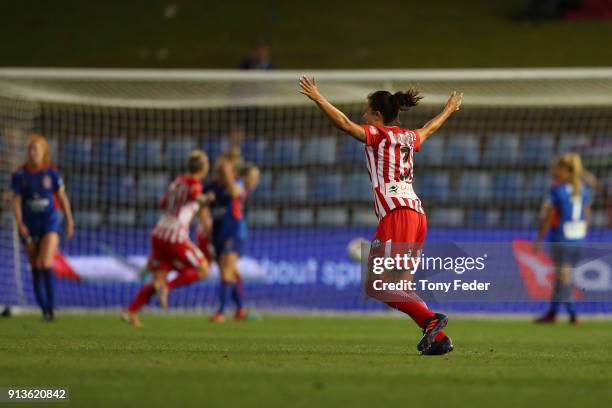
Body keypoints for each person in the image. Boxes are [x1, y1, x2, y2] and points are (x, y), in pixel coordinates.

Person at [299, 76, 462, 355]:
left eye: (366, 111)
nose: (363, 116)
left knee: (377, 286)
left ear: (377, 115)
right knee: (399, 287)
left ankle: (431, 319)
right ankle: (439, 339)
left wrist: (317, 97)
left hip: (397, 215)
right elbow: (429, 129)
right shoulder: (409, 137)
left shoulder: (379, 135)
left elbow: (343, 125)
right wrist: (448, 110)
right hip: (418, 216)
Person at [122, 150, 214, 327]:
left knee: (158, 278)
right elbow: (195, 194)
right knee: (203, 269)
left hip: (158, 233)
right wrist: (205, 198)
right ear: (203, 168)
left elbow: (163, 203)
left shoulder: (177, 182)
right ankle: (168, 287)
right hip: (175, 236)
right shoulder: (194, 183)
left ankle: (131, 311)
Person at [10, 134, 75, 321]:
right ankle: (45, 309)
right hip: (29, 226)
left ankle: (51, 308)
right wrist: (20, 223)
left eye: (36, 150)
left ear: (44, 152)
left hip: (49, 223)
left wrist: (69, 220)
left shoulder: (52, 174)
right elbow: (16, 201)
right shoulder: (19, 175)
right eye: (30, 149)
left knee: (45, 263)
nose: (32, 153)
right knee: (34, 267)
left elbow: (62, 197)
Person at [534, 153, 592, 324]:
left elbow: (549, 217)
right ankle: (552, 313)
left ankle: (573, 314)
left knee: (563, 277)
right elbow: (587, 215)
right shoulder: (583, 189)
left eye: (557, 168)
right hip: (578, 239)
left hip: (561, 238)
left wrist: (539, 239)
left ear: (565, 170)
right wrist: (581, 233)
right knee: (562, 276)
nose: (554, 171)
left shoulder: (557, 190)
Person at [205, 157, 260, 323]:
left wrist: (227, 169)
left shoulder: (238, 185)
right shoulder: (211, 186)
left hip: (235, 232)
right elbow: (203, 205)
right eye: (253, 177)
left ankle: (221, 312)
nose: (254, 181)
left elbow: (234, 191)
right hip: (217, 233)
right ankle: (240, 309)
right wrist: (205, 222)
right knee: (228, 272)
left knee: (227, 271)